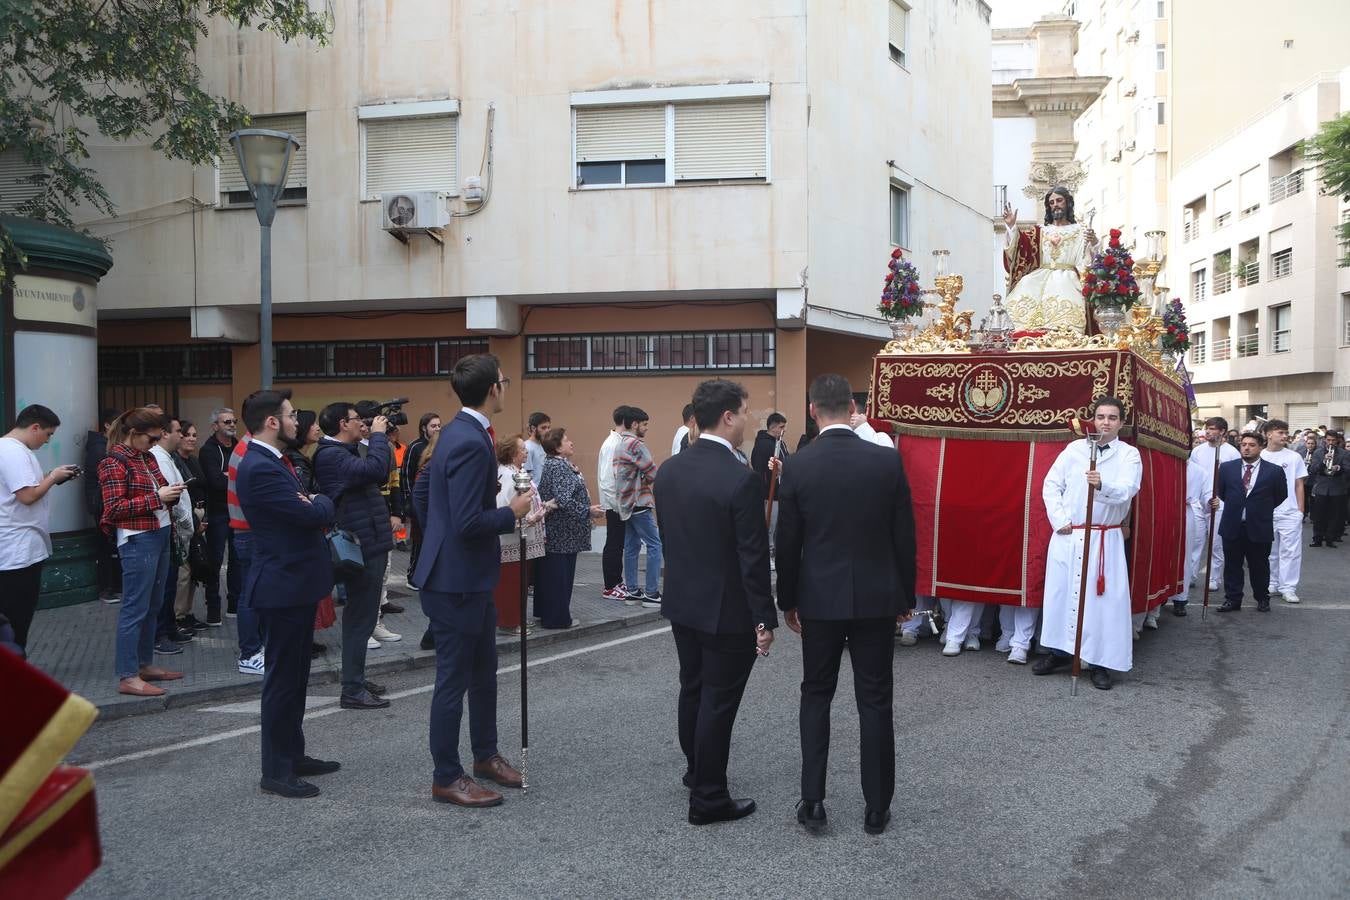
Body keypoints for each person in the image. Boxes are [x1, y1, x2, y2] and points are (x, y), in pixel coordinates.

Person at [774, 374, 916, 835]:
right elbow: (904, 536)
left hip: (819, 597)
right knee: (875, 700)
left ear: (813, 410)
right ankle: (877, 806)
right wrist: (905, 595)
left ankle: (813, 799)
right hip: (876, 596)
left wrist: (788, 600)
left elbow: (788, 541)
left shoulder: (798, 466)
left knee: (816, 695)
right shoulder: (886, 462)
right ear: (853, 407)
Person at [653, 378, 777, 826]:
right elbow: (752, 558)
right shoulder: (740, 479)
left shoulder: (669, 470)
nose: (747, 421)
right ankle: (708, 796)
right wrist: (765, 617)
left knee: (694, 688)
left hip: (683, 599)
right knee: (718, 700)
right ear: (727, 416)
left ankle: (696, 771)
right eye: (744, 412)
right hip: (726, 607)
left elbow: (670, 537)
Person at [412, 353, 532, 808]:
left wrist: (437, 532)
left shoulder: (461, 433)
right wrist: (511, 513)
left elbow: (426, 495)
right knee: (453, 680)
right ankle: (447, 775)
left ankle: (485, 756)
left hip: (468, 575)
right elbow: (465, 521)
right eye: (504, 379)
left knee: (484, 672)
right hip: (455, 582)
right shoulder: (465, 439)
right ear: (494, 389)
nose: (506, 385)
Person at [235, 389, 340, 799]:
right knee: (281, 681)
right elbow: (307, 513)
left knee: (296, 678)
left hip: (295, 581)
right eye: (292, 415)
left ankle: (294, 755)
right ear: (272, 422)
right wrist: (321, 502)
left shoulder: (274, 460)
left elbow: (308, 508)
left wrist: (315, 503)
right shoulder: (260, 467)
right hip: (282, 585)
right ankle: (276, 770)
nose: (298, 421)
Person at [1033, 397, 1141, 691]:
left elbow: (1128, 489)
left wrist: (1102, 485)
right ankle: (1059, 652)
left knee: (1101, 603)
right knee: (1062, 596)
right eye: (1101, 416)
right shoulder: (1074, 450)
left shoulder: (1129, 455)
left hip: (1103, 538)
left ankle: (1099, 662)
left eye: (1112, 417)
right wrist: (1060, 519)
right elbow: (1051, 485)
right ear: (1092, 419)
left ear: (1121, 423)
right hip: (1070, 535)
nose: (1105, 422)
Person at [314, 401, 397, 710]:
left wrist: (373, 438)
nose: (362, 423)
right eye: (355, 420)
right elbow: (375, 468)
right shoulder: (330, 455)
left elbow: (381, 470)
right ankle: (351, 688)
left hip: (369, 541)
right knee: (360, 618)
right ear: (341, 424)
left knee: (361, 616)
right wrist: (376, 436)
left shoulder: (346, 452)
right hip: (359, 547)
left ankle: (356, 678)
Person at [98, 407, 186, 697]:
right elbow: (113, 510)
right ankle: (128, 675)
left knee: (153, 603)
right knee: (135, 607)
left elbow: (158, 492)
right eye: (151, 438)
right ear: (134, 434)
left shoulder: (146, 457)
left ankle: (144, 664)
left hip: (158, 532)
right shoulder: (113, 462)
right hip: (138, 538)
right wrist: (157, 497)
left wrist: (170, 493)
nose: (154, 443)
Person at [0, 405, 81, 651]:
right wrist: (52, 477)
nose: (48, 441)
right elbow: (26, 496)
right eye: (48, 434)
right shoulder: (12, 452)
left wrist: (51, 478)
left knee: (15, 620)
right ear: (34, 427)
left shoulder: (13, 450)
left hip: (18, 548)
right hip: (17, 552)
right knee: (16, 621)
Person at [1001, 186, 1100, 332]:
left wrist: (1094, 241)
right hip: (1040, 274)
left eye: (1059, 200)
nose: (1055, 205)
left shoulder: (1080, 230)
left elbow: (1088, 259)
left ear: (1068, 203)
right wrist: (1011, 227)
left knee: (1064, 294)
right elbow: (1022, 247)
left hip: (1067, 276)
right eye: (1051, 202)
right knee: (1026, 285)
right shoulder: (1040, 230)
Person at [1213, 432, 1288, 613]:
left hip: (1259, 525)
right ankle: (1232, 599)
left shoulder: (1274, 471)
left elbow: (1280, 495)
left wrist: (1258, 508)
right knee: (1232, 565)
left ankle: (1262, 598)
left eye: (1252, 445)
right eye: (1244, 444)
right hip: (1233, 524)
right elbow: (1222, 492)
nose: (1246, 448)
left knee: (1259, 565)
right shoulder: (1227, 468)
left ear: (1261, 447)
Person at [536, 427, 602, 629]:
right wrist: (587, 511)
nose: (571, 442)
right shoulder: (559, 467)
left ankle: (548, 614)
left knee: (554, 576)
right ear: (557, 447)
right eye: (566, 440)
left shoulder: (556, 464)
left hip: (561, 532)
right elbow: (564, 499)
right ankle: (558, 619)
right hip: (563, 533)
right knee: (560, 578)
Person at [493, 434, 548, 635]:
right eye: (523, 449)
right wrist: (529, 520)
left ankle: (518, 618)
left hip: (522, 539)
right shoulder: (507, 475)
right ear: (513, 453)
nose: (526, 451)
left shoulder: (517, 471)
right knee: (510, 583)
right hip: (512, 541)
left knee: (520, 582)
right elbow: (503, 508)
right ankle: (508, 622)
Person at [150, 416, 196, 653]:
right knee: (165, 584)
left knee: (170, 582)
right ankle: (160, 633)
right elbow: (170, 494)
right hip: (169, 526)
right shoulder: (157, 457)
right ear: (165, 433)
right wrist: (186, 521)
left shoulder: (168, 457)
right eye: (178, 430)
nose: (182, 435)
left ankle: (168, 627)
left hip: (175, 528)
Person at [224, 414, 264, 675]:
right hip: (249, 533)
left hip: (248, 532)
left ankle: (256, 649)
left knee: (254, 594)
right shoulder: (248, 452)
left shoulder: (247, 449)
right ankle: (250, 653)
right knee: (249, 596)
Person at [615, 406, 662, 607]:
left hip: (625, 503)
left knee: (631, 547)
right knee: (655, 544)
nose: (646, 428)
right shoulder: (636, 444)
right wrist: (644, 478)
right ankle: (651, 593)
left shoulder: (620, 443)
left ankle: (632, 591)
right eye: (644, 424)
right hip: (639, 501)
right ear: (634, 424)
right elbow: (653, 472)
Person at [1259, 419, 1307, 605]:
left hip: (1289, 512)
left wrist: (1300, 510)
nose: (1285, 435)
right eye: (1280, 432)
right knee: (1269, 551)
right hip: (1266, 512)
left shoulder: (1293, 457)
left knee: (1291, 551)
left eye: (1286, 432)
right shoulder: (1260, 455)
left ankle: (1288, 588)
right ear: (1269, 434)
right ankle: (1272, 582)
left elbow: (1299, 484)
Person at [1189, 417, 1240, 591]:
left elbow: (1235, 481)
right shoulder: (1197, 451)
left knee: (1216, 543)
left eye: (1212, 429)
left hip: (1220, 503)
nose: (1208, 432)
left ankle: (1213, 577)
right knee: (1195, 541)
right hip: (1197, 502)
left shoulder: (1232, 453)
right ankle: (1191, 574)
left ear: (1223, 431)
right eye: (1207, 429)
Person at [200, 407, 239, 625]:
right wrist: (235, 478)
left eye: (234, 421)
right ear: (215, 426)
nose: (232, 425)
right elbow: (215, 482)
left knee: (238, 560)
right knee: (214, 561)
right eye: (227, 422)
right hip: (217, 513)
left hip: (237, 511)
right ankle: (213, 608)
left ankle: (235, 604)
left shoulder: (239, 446)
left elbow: (245, 476)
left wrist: (229, 477)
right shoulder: (208, 450)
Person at [172, 419, 211, 631]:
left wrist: (204, 519)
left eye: (194, 435)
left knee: (195, 566)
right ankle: (178, 616)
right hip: (185, 520)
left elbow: (206, 489)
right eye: (186, 434)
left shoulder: (194, 461)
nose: (191, 438)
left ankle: (186, 613)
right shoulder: (174, 462)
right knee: (184, 571)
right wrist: (195, 521)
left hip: (200, 516)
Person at [85, 407, 121, 603]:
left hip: (103, 502)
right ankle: (106, 588)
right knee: (105, 545)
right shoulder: (100, 448)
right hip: (101, 503)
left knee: (110, 545)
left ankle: (113, 585)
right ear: (107, 424)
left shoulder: (107, 445)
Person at [401, 412, 441, 588]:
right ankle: (412, 575)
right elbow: (406, 476)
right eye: (433, 426)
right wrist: (409, 502)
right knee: (418, 540)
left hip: (433, 504)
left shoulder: (441, 445)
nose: (437, 428)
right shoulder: (415, 447)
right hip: (419, 502)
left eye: (439, 425)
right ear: (424, 428)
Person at [597, 406, 630, 601]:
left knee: (617, 544)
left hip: (617, 503)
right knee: (614, 544)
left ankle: (616, 582)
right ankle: (611, 585)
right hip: (614, 503)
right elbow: (607, 479)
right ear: (626, 422)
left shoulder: (618, 442)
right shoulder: (612, 444)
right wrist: (617, 506)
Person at [1170, 458, 1207, 617]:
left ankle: (1180, 598)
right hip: (1164, 509)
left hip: (1186, 511)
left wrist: (1213, 501)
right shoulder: (1166, 464)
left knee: (1184, 556)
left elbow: (1207, 494)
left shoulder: (1199, 470)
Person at [1307, 431, 1348, 548]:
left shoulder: (1344, 453)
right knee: (1319, 515)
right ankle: (1317, 539)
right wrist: (1324, 461)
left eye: (1333, 440)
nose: (1331, 443)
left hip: (1337, 487)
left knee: (1334, 515)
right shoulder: (1318, 453)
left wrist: (1339, 468)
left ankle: (1330, 539)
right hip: (1322, 487)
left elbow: (1348, 469)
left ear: (1337, 440)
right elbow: (1313, 469)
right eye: (1328, 440)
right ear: (1325, 439)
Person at [523, 411, 551, 485]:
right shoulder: (527, 447)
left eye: (548, 427)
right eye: (543, 428)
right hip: (534, 493)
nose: (547, 431)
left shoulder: (542, 446)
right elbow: (525, 474)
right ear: (533, 428)